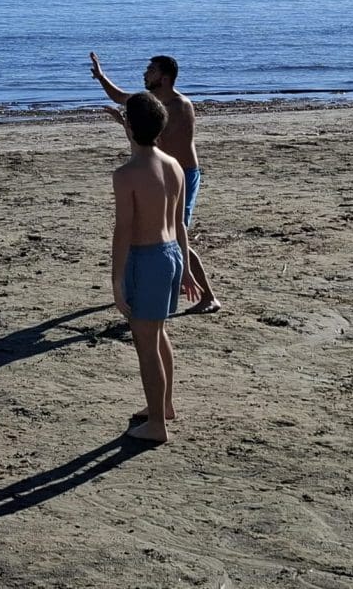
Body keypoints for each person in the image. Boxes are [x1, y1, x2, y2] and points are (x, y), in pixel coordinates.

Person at [90, 52, 222, 313]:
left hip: (181, 174)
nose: (145, 74)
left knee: (175, 233)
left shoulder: (179, 106)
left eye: (151, 70)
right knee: (159, 231)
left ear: (164, 78)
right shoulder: (152, 103)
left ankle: (208, 296)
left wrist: (127, 125)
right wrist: (101, 77)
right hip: (160, 172)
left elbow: (152, 140)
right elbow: (121, 98)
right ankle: (160, 282)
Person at [111, 91, 199, 443]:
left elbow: (123, 231)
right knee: (158, 334)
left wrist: (116, 280)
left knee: (146, 345)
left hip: (146, 259)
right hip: (171, 255)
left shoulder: (126, 174)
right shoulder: (174, 165)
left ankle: (157, 426)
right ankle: (164, 405)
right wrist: (186, 267)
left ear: (130, 127)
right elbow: (180, 225)